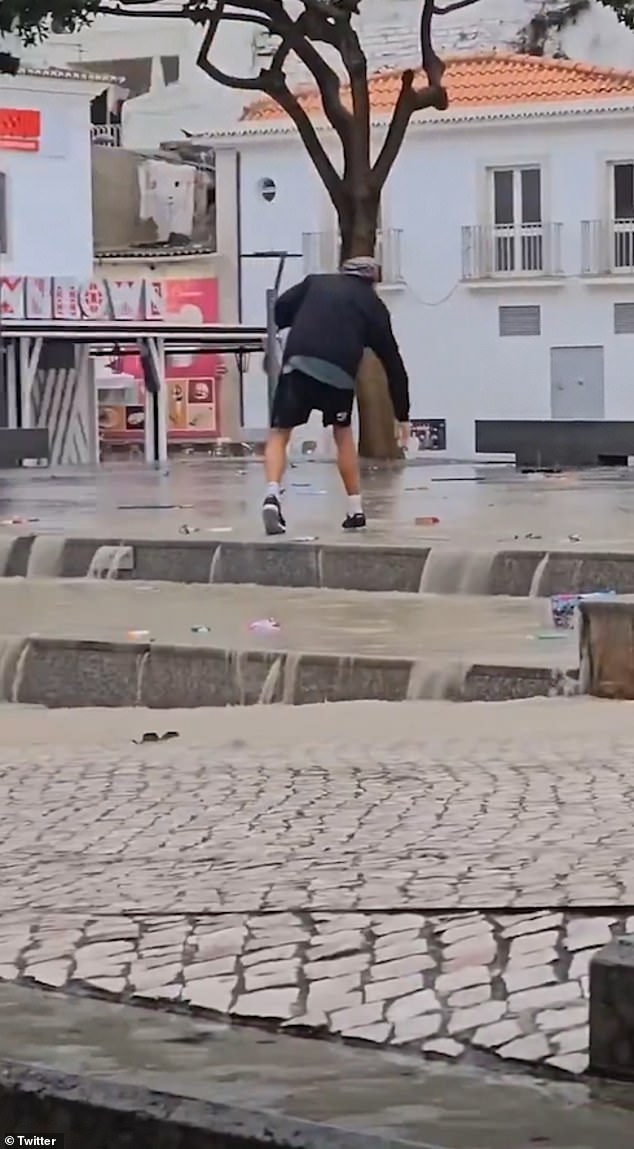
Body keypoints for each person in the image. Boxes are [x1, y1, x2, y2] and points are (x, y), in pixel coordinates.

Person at [261, 256, 410, 536]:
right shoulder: (375, 307)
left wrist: (290, 322)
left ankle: (272, 495)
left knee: (280, 433)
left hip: (299, 361)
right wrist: (402, 415)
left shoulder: (316, 282)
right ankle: (355, 509)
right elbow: (393, 363)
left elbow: (280, 307)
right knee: (342, 433)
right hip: (339, 373)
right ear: (372, 280)